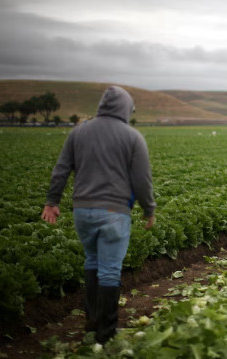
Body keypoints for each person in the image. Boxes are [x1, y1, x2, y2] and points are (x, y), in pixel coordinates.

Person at [41, 86, 156, 344]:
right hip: (114, 211)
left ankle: (91, 322)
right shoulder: (132, 137)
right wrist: (149, 209)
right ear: (126, 108)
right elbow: (142, 180)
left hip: (82, 211)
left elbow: (61, 170)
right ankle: (106, 334)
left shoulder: (78, 132)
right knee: (110, 271)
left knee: (92, 260)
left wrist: (52, 202)